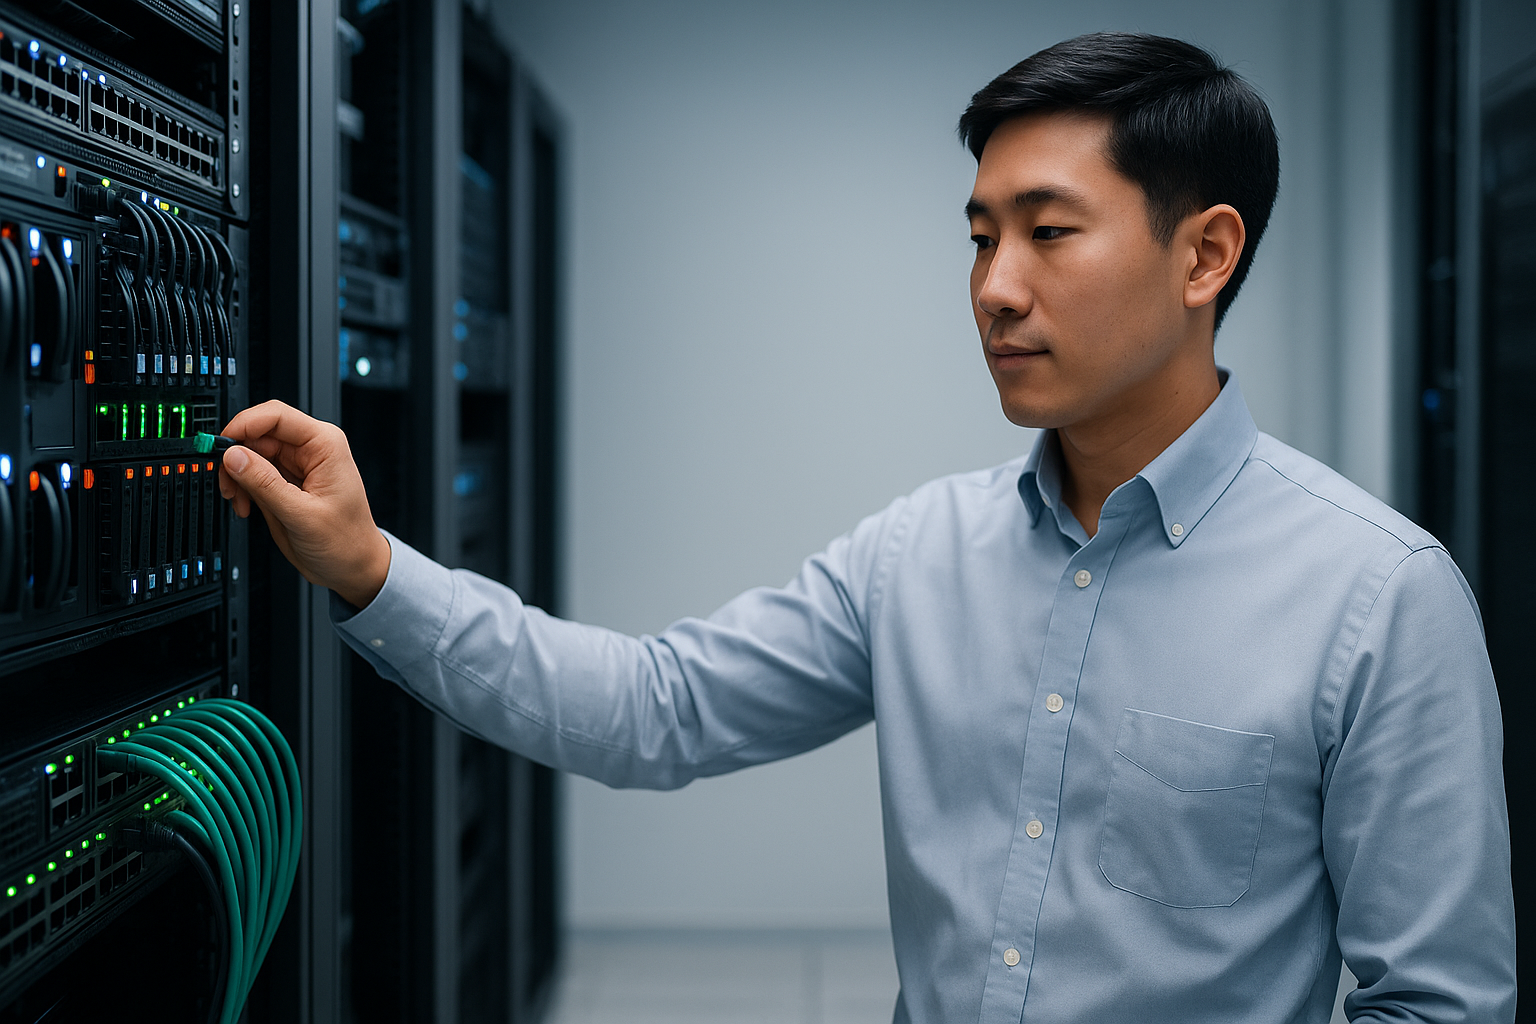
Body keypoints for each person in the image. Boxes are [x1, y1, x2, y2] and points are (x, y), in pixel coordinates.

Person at [218, 32, 1515, 1024]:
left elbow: (1438, 1005)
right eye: (979, 237)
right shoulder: (919, 557)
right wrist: (372, 568)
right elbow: (652, 707)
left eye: (1050, 234)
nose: (995, 290)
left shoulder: (1379, 599)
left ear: (1204, 255)